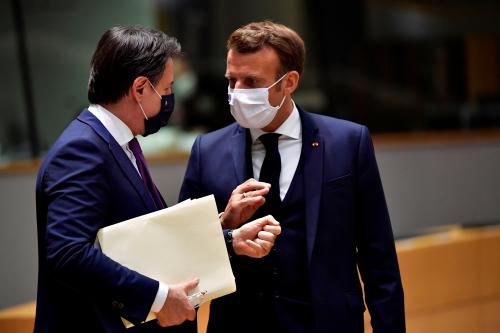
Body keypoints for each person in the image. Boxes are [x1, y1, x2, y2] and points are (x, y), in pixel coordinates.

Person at [34, 26, 280, 333]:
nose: (170, 99)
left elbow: (139, 241)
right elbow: (68, 254)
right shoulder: (82, 148)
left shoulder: (120, 142)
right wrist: (159, 298)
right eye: (165, 89)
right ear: (139, 89)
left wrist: (226, 237)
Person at [179, 21, 405, 333]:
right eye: (232, 80)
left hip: (327, 322)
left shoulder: (347, 143)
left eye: (252, 81)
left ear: (289, 82)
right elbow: (185, 255)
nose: (238, 92)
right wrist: (225, 226)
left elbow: (378, 256)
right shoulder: (208, 150)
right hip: (240, 325)